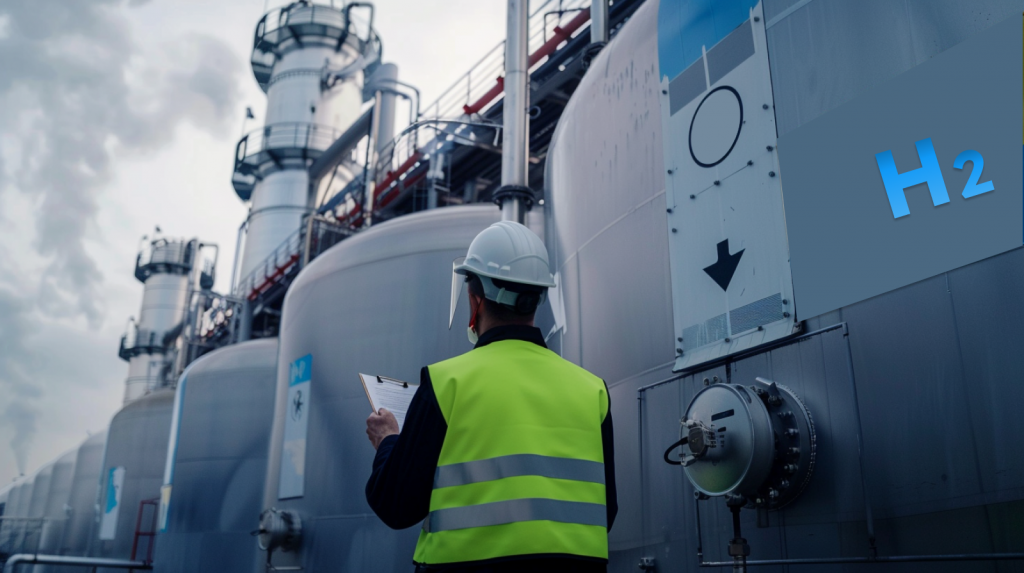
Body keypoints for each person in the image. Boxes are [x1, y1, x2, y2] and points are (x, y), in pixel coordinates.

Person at [365, 220, 617, 573]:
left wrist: (389, 441)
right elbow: (604, 513)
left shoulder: (445, 383)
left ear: (475, 298)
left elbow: (395, 505)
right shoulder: (592, 390)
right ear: (539, 296)